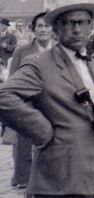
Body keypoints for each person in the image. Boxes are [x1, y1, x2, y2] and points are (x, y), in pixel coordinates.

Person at [0, 0, 94, 198]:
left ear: (91, 26)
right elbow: (4, 97)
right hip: (58, 178)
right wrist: (44, 132)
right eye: (69, 22)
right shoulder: (39, 64)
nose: (76, 29)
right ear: (56, 28)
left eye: (82, 22)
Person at [7, 11, 54, 190]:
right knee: (24, 142)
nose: (43, 30)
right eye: (39, 26)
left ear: (53, 29)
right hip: (28, 102)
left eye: (46, 26)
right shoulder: (22, 51)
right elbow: (13, 80)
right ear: (33, 30)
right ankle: (23, 178)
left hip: (52, 102)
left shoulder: (58, 49)